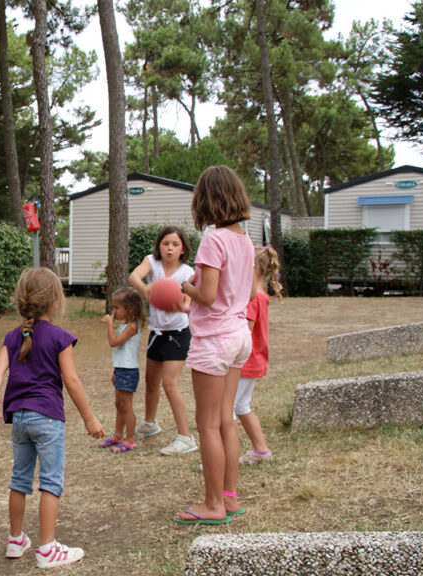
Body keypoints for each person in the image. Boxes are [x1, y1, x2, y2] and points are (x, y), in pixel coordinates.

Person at [0, 267, 105, 569]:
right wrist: (90, 419)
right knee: (51, 481)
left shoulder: (13, 336)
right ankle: (47, 549)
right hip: (48, 419)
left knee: (20, 479)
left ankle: (15, 540)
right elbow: (72, 382)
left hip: (20, 419)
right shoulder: (59, 337)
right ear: (55, 302)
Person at [174, 165, 255, 525]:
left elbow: (206, 295)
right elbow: (247, 291)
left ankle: (212, 504)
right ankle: (230, 498)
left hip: (214, 341)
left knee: (206, 425)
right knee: (226, 420)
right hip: (239, 335)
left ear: (206, 200)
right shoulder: (244, 238)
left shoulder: (213, 239)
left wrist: (185, 287)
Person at [128, 226, 198, 456]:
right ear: (159, 245)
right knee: (151, 382)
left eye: (175, 244)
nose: (169, 248)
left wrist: (175, 303)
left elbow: (187, 305)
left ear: (183, 249)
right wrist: (148, 290)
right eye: (165, 243)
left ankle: (185, 437)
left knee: (170, 384)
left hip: (177, 334)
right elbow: (134, 277)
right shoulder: (152, 262)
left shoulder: (188, 273)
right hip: (157, 333)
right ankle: (150, 423)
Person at [236, 247, 282, 464]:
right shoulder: (262, 296)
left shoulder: (251, 298)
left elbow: (245, 331)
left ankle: (222, 459)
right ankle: (261, 451)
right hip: (255, 362)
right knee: (241, 406)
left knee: (227, 412)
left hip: (245, 363)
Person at [98, 287, 146, 454]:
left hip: (129, 371)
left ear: (130, 308)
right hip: (121, 369)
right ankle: (118, 435)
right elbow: (121, 352)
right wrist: (115, 371)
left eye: (117, 308)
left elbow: (114, 342)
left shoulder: (132, 327)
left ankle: (130, 439)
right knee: (118, 404)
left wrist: (109, 325)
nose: (114, 311)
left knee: (126, 406)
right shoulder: (126, 325)